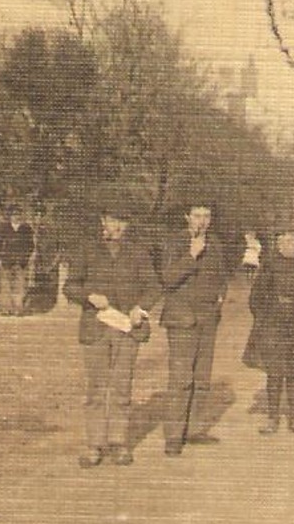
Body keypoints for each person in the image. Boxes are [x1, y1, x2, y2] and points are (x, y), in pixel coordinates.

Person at [64, 199, 159, 467]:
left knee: (121, 388)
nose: (115, 226)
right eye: (110, 220)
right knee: (96, 390)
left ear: (127, 225)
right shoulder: (87, 250)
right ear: (102, 222)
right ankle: (94, 446)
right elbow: (70, 287)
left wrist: (140, 308)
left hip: (127, 330)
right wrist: (88, 296)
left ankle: (119, 443)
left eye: (121, 221)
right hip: (95, 328)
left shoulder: (138, 253)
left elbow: (153, 287)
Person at [156, 198, 230, 457]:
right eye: (197, 215)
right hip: (182, 319)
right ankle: (174, 436)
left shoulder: (216, 244)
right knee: (181, 379)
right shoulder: (175, 242)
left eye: (207, 216)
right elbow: (167, 279)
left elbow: (222, 276)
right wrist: (191, 255)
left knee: (202, 378)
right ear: (187, 217)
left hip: (208, 318)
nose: (202, 221)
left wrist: (220, 296)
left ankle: (195, 430)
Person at [243, 224, 294, 435]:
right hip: (274, 324)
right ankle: (272, 418)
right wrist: (265, 319)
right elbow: (256, 298)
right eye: (285, 241)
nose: (290, 245)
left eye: (293, 241)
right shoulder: (270, 264)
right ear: (278, 244)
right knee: (274, 372)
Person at [0, 204, 36, 316]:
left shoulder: (26, 229)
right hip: (6, 260)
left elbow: (30, 245)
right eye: (14, 215)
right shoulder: (4, 228)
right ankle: (6, 309)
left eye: (18, 214)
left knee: (20, 285)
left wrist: (25, 257)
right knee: (6, 284)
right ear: (10, 216)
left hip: (21, 262)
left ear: (21, 216)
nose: (16, 217)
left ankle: (18, 308)